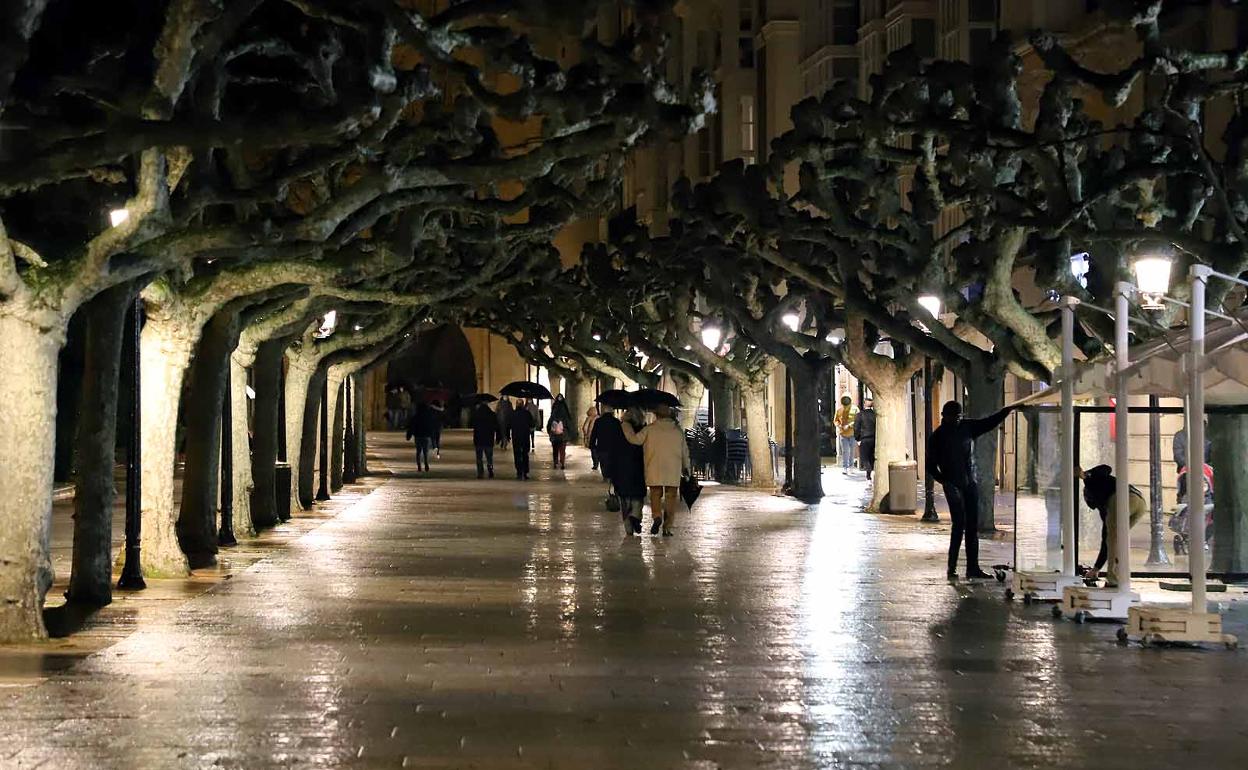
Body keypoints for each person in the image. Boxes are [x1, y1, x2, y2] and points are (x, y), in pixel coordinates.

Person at [926, 400, 1014, 579]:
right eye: (954, 416)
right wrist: (944, 481)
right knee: (959, 525)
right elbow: (930, 465)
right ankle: (952, 567)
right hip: (952, 484)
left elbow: (989, 423)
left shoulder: (967, 427)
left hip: (969, 483)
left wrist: (1007, 410)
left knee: (972, 526)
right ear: (945, 416)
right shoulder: (937, 436)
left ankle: (972, 568)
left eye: (959, 416)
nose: (957, 419)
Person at [622, 404, 691, 536]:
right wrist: (686, 467)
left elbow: (635, 440)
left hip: (654, 467)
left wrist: (626, 426)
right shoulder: (678, 431)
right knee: (671, 497)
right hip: (673, 469)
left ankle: (657, 516)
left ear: (656, 415)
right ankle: (667, 527)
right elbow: (684, 452)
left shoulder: (649, 429)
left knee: (655, 494)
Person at [1080, 465, 1148, 586]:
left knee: (1112, 539)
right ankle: (1120, 576)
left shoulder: (1093, 485)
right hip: (1140, 502)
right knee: (1116, 539)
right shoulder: (1104, 496)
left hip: (1122, 499)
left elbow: (1106, 468)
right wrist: (1096, 568)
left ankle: (1113, 579)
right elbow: (1105, 540)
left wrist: (1085, 475)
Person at [612, 408, 648, 535]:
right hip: (638, 466)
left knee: (625, 499)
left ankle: (628, 529)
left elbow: (613, 450)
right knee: (637, 497)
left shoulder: (618, 429)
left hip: (621, 468)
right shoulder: (643, 430)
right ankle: (636, 516)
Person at [590, 408, 624, 482]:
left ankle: (605, 476)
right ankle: (611, 476)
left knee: (603, 462)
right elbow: (620, 435)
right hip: (613, 446)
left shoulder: (598, 421)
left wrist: (592, 445)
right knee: (612, 461)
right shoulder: (616, 422)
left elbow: (593, 434)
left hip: (602, 445)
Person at [405, 401, 437, 472]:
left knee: (418, 451)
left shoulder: (415, 417)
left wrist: (408, 436)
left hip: (418, 436)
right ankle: (426, 463)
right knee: (426, 452)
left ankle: (419, 466)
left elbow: (411, 427)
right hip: (426, 436)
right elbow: (431, 428)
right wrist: (433, 438)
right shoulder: (429, 417)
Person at [471, 402, 499, 479]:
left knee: (479, 458)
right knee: (489, 457)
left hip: (479, 439)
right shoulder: (492, 414)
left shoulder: (476, 415)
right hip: (489, 439)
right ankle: (490, 470)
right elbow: (496, 426)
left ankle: (480, 473)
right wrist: (498, 437)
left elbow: (472, 424)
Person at [509, 401, 536, 479]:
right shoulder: (527, 413)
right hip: (525, 436)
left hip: (516, 437)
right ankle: (525, 471)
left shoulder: (513, 414)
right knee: (525, 454)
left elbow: (509, 424)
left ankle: (519, 472)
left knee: (517, 454)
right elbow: (532, 424)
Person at [854, 398, 877, 480]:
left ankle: (869, 472)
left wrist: (857, 439)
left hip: (864, 438)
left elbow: (856, 428)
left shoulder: (859, 415)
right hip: (874, 438)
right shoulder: (875, 415)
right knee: (871, 457)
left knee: (864, 457)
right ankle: (869, 475)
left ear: (864, 404)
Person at [833, 395, 857, 471]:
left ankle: (851, 466)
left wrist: (849, 425)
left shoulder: (855, 409)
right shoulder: (839, 410)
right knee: (845, 451)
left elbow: (858, 420)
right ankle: (845, 467)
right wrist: (839, 425)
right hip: (843, 433)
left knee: (852, 451)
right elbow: (836, 420)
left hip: (853, 433)